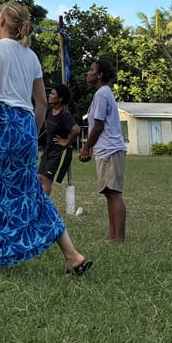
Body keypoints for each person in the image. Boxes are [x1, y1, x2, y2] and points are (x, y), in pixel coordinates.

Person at [0, 3, 91, 281]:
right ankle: (72, 255)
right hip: (26, 127)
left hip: (1, 123)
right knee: (30, 192)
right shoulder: (30, 56)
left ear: (3, 21)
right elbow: (41, 103)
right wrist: (29, 133)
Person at [78, 59, 127, 243]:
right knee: (109, 192)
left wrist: (86, 147)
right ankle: (112, 235)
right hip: (105, 150)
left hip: (110, 150)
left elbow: (98, 126)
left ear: (99, 75)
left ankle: (119, 238)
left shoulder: (102, 94)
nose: (88, 73)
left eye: (91, 70)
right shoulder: (102, 94)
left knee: (114, 193)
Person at [39, 84, 79, 196]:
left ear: (60, 98)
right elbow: (46, 123)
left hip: (56, 153)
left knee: (46, 180)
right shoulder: (49, 110)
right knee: (39, 178)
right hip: (47, 150)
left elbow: (76, 130)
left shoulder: (64, 114)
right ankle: (39, 204)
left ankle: (44, 206)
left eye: (53, 94)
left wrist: (66, 142)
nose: (50, 95)